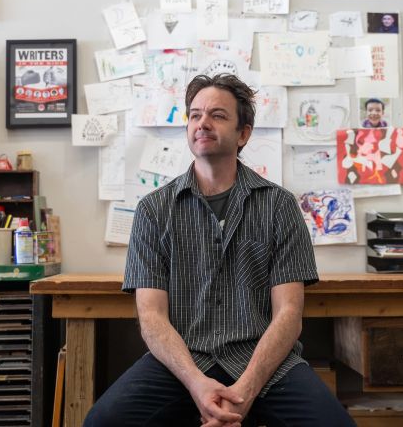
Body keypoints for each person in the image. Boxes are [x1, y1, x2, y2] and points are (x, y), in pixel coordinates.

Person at [85, 73, 355, 427]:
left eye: (218, 115)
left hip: (262, 361)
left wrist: (244, 391)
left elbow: (289, 314)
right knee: (101, 422)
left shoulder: (279, 205)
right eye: (195, 115)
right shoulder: (154, 210)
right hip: (183, 362)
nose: (203, 123)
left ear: (243, 133)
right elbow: (151, 317)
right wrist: (197, 384)